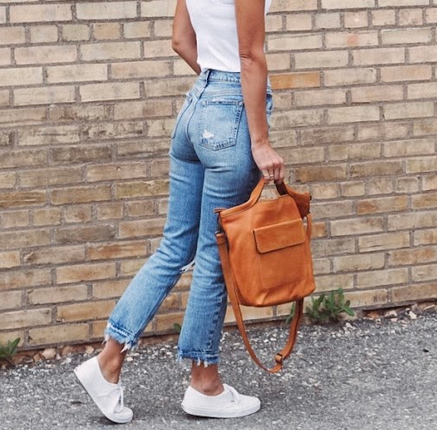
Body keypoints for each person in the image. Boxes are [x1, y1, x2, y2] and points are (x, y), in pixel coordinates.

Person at [73, 0, 285, 423]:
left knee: (174, 248)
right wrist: (259, 141)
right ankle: (204, 384)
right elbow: (249, 56)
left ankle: (108, 361)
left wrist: (214, 91)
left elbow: (180, 41)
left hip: (195, 108)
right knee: (213, 255)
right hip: (230, 113)